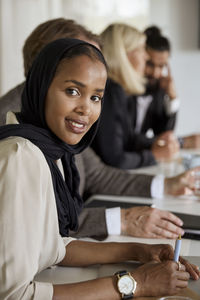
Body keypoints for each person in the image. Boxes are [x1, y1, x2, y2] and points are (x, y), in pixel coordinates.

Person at [0, 37, 199, 300]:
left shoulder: (50, 148)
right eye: (72, 91)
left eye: (96, 97)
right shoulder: (20, 156)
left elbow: (52, 248)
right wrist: (134, 284)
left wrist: (137, 251)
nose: (86, 108)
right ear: (41, 86)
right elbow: (13, 295)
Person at [91, 23, 179, 170]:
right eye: (141, 50)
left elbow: (127, 139)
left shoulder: (117, 88)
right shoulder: (111, 91)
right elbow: (115, 158)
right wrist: (155, 155)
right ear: (123, 54)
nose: (145, 56)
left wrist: (156, 144)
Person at [145, 25, 200, 150]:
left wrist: (172, 98)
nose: (155, 73)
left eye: (161, 66)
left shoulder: (157, 88)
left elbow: (163, 135)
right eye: (150, 64)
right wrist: (182, 142)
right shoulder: (125, 90)